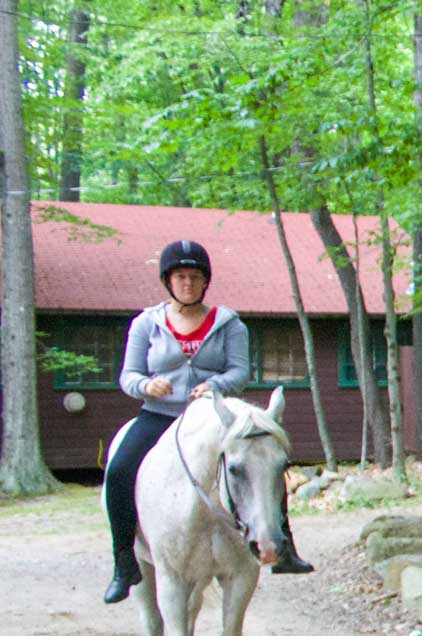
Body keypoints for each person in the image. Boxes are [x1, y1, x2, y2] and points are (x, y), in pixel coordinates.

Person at [105, 239, 313, 603]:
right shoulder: (145, 324)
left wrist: (215, 386)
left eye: (195, 277)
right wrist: (147, 385)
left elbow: (239, 371)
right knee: (120, 470)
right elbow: (128, 375)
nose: (188, 283)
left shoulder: (229, 323)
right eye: (180, 276)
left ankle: (284, 546)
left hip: (213, 419)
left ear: (205, 281)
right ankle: (124, 561)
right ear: (167, 280)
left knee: (263, 463)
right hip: (160, 415)